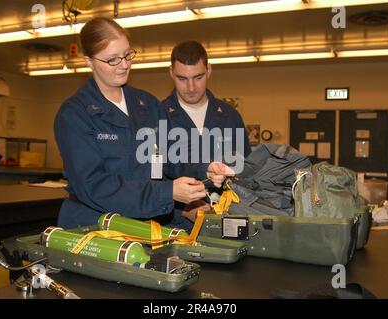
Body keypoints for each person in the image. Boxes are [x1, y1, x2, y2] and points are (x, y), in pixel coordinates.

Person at [54, 18, 230, 229]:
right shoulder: (75, 114)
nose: (125, 64)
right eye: (112, 60)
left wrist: (205, 168)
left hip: (144, 223)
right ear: (89, 61)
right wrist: (167, 193)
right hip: (93, 227)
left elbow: (170, 155)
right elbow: (94, 186)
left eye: (127, 54)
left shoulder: (147, 105)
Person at [162, 40, 252, 222]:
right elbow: (151, 177)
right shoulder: (158, 117)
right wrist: (183, 210)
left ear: (209, 70)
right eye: (182, 79)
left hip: (225, 220)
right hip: (175, 226)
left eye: (198, 77)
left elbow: (246, 172)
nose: (191, 88)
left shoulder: (229, 116)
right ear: (171, 73)